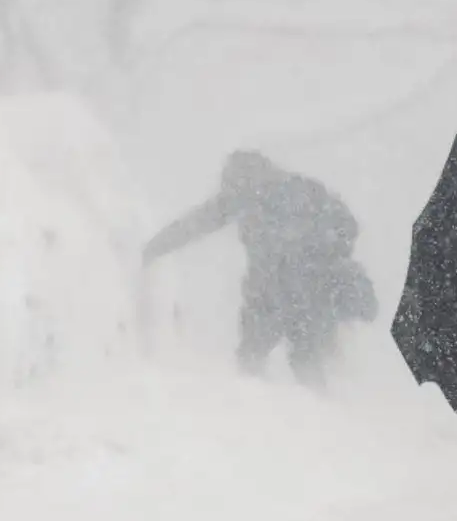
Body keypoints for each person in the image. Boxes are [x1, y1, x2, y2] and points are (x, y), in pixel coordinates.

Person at [143, 150, 376, 385]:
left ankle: (310, 412)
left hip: (297, 294)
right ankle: (272, 409)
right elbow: (196, 223)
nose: (234, 191)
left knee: (290, 359)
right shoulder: (259, 196)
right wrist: (153, 248)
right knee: (272, 359)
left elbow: (345, 226)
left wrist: (318, 253)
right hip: (276, 294)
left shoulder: (293, 193)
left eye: (237, 183)